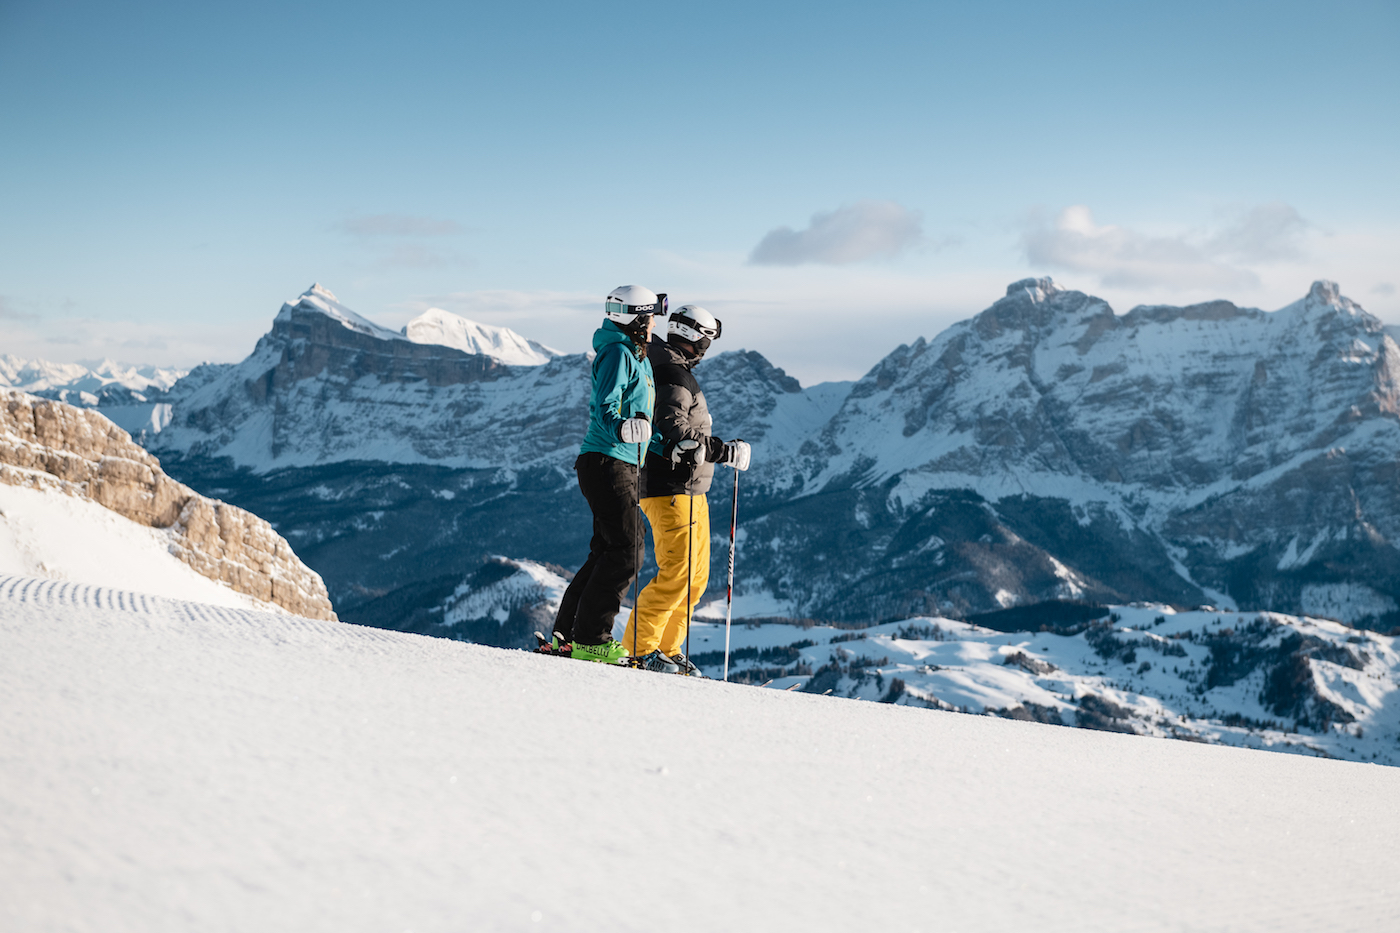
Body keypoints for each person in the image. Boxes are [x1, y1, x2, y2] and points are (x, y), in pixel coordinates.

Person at [622, 305, 750, 674]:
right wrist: (723, 451)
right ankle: (640, 650)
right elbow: (673, 427)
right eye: (707, 341)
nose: (707, 349)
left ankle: (667, 648)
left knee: (694, 578)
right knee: (677, 573)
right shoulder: (671, 373)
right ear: (697, 340)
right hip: (670, 487)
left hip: (690, 488)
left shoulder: (667, 366)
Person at [551, 286, 661, 663]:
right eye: (650, 317)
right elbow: (605, 406)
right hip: (607, 460)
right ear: (638, 319)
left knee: (608, 549)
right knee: (627, 549)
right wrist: (621, 429)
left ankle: (565, 637)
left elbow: (641, 418)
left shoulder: (637, 355)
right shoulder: (617, 352)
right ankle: (592, 640)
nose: (653, 325)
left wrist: (664, 444)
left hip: (621, 462)